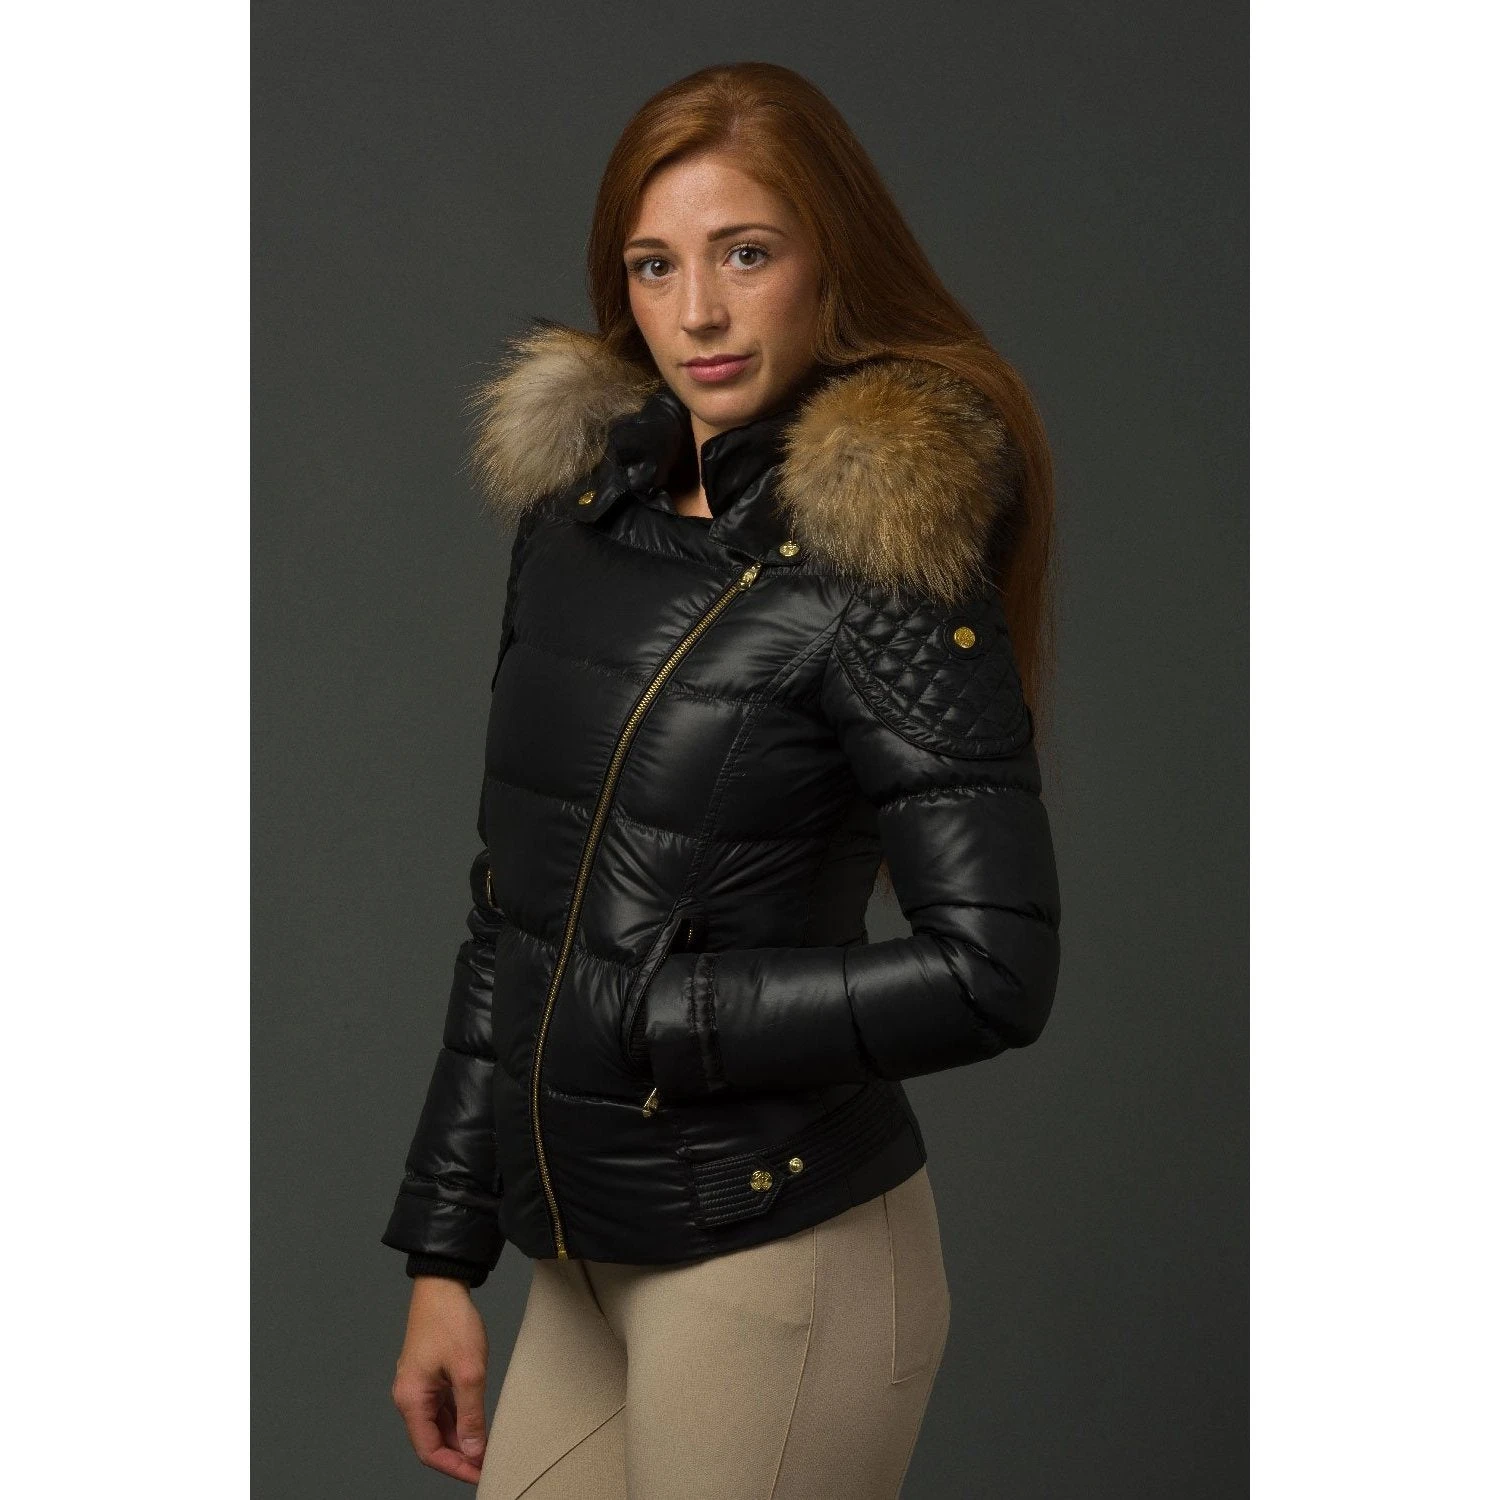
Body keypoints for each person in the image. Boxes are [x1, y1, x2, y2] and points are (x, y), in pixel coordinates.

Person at [383, 61, 1062, 1500]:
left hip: (780, 1259)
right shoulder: (576, 525)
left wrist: (670, 1016)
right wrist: (446, 1252)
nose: (697, 311)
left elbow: (994, 970)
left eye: (745, 254)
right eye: (656, 266)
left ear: (830, 267)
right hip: (581, 1254)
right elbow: (512, 912)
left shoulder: (880, 560)